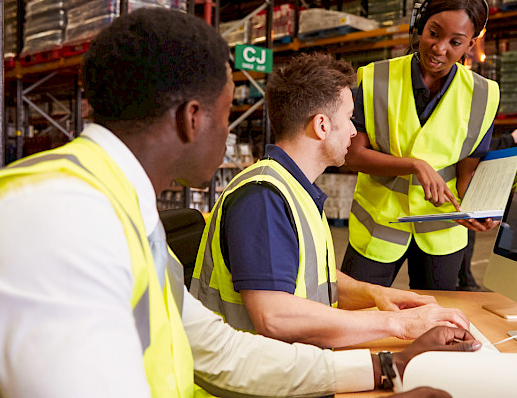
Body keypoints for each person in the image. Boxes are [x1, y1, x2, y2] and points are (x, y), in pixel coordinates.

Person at [0, 8, 479, 398]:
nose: (232, 131)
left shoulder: (126, 212)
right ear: (192, 120)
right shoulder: (52, 223)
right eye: (225, 114)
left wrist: (385, 370)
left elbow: (218, 349)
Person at [192, 53, 471, 349]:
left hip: (288, 368)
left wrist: (377, 295)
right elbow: (274, 316)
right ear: (322, 126)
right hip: (247, 384)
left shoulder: (292, 188)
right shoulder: (263, 197)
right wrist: (398, 324)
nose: (353, 130)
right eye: (349, 118)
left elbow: (314, 279)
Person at [342, 0, 502, 290]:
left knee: (437, 321)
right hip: (379, 223)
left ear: (470, 46)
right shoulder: (375, 77)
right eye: (434, 33)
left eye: (455, 42)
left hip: (442, 228)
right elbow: (353, 155)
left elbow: (467, 168)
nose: (440, 48)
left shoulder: (484, 95)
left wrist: (477, 208)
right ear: (420, 25)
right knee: (353, 309)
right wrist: (413, 165)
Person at [457, 127, 517, 291]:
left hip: (463, 196)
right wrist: (509, 139)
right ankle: (466, 281)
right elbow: (479, 146)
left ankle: (466, 280)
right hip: (457, 198)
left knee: (467, 238)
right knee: (467, 237)